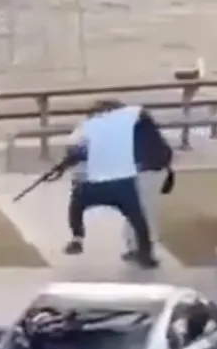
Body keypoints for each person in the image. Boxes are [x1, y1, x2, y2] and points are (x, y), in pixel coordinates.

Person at [61, 99, 160, 269]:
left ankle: (77, 238)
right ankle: (145, 252)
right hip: (119, 183)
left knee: (76, 206)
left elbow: (72, 149)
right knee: (137, 218)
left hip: (94, 183)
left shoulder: (87, 128)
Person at [121, 107, 174, 262]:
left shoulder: (134, 131)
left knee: (142, 211)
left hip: (147, 174)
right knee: (143, 210)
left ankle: (142, 249)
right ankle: (138, 247)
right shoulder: (148, 131)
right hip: (154, 172)